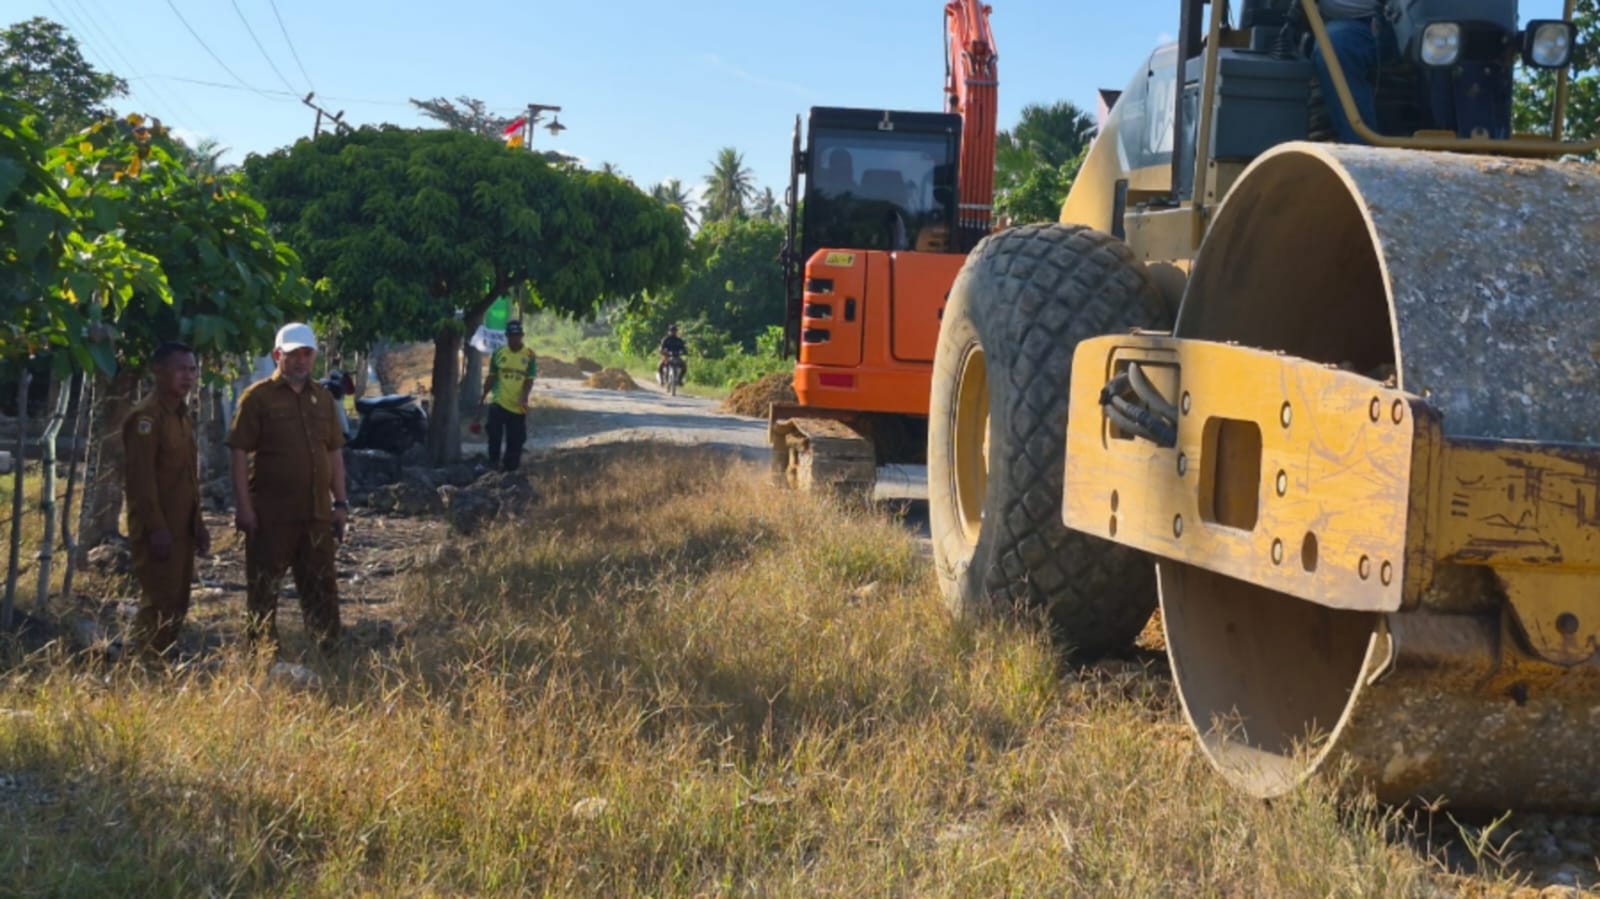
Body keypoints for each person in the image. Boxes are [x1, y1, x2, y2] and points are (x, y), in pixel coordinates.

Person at [227, 322, 349, 653]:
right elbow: (239, 452)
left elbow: (334, 452)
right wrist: (244, 508)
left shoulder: (323, 399)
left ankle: (328, 653)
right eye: (293, 354)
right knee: (264, 590)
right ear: (277, 355)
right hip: (271, 516)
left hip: (316, 515)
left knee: (322, 588)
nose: (300, 361)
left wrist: (340, 503)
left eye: (307, 354)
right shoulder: (257, 398)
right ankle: (261, 656)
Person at [122, 342, 210, 660]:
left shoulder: (182, 415)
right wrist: (156, 528)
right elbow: (141, 481)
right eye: (180, 369)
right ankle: (143, 664)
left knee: (178, 599)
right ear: (159, 372)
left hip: (182, 526)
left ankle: (163, 661)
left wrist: (198, 524)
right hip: (158, 529)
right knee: (158, 599)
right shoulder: (146, 418)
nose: (187, 377)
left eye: (192, 369)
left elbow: (186, 477)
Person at [1312, 1, 1384, 144]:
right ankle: (1361, 151)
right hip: (1356, 26)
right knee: (1333, 45)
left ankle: (1439, 138)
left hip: (1424, 19)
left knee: (1437, 43)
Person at [479, 319, 537, 472]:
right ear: (507, 336)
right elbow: (491, 376)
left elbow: (529, 380)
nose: (514, 338)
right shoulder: (498, 353)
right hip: (499, 401)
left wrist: (524, 397)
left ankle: (510, 471)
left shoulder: (529, 355)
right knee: (494, 434)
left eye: (517, 335)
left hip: (517, 406)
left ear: (522, 336)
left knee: (516, 440)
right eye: (511, 335)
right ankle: (493, 464)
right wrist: (484, 394)